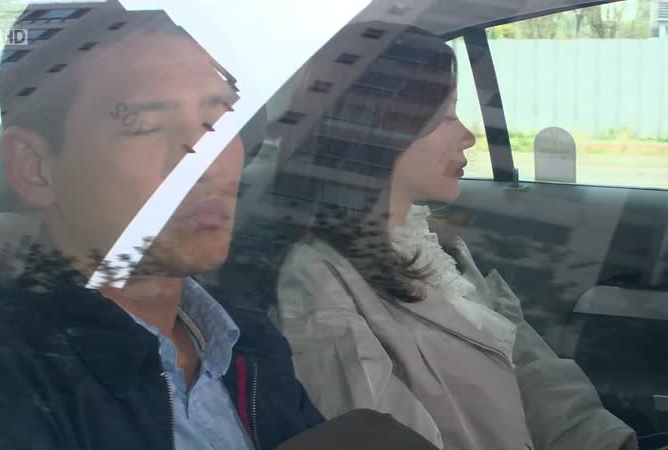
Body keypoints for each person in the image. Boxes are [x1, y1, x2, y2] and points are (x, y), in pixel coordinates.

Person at [0, 3, 326, 450]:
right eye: (146, 124)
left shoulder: (245, 340)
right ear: (35, 168)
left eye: (220, 119)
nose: (208, 164)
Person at [265, 23, 640, 450]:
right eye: (445, 117)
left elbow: (530, 371)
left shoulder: (437, 248)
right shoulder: (318, 283)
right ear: (378, 129)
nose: (468, 136)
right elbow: (377, 435)